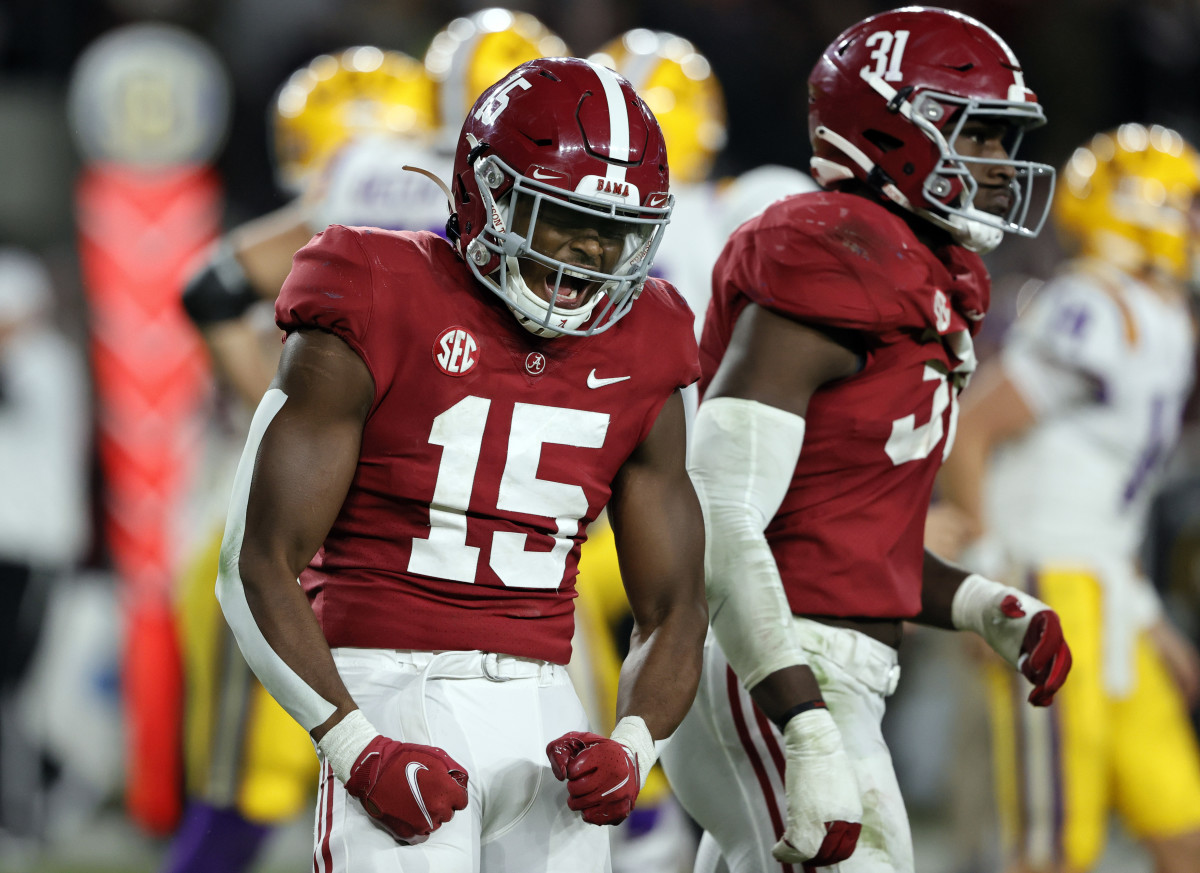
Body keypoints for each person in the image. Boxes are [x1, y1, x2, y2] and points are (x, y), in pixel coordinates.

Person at [214, 55, 707, 873]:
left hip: (551, 699)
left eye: (618, 231)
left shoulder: (652, 334)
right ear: (490, 194)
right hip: (390, 690)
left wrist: (634, 744)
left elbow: (678, 600)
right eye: (564, 218)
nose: (592, 252)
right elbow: (255, 561)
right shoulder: (374, 284)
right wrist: (355, 743)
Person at [657, 7, 1072, 872]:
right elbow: (720, 514)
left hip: (814, 660)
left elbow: (840, 540)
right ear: (892, 129)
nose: (1000, 169)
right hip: (769, 661)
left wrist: (982, 606)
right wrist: (806, 724)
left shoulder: (922, 279)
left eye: (1003, 142)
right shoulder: (833, 252)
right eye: (980, 137)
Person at [936, 123, 1200, 873]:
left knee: (1183, 827)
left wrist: (1149, 616)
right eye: (1181, 205)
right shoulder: (1092, 305)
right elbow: (971, 431)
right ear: (1138, 209)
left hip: (1109, 583)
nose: (1191, 223)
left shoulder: (1163, 316)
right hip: (1047, 581)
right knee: (1054, 849)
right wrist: (986, 587)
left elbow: (1110, 499)